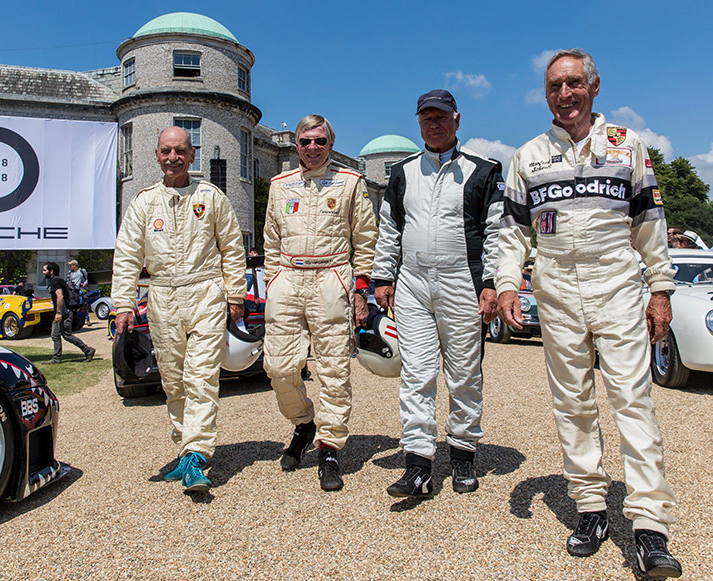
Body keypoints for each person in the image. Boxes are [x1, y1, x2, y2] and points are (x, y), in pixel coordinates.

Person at [496, 49, 682, 577]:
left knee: (632, 397)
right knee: (572, 402)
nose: (565, 95)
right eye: (555, 86)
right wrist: (508, 283)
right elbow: (512, 231)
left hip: (617, 281)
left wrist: (660, 289)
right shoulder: (528, 155)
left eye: (574, 83)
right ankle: (591, 508)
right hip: (554, 285)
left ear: (594, 87)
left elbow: (650, 221)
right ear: (546, 94)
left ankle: (650, 525)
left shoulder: (628, 144)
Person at [372, 89, 504, 497]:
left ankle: (463, 454)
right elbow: (390, 227)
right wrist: (382, 277)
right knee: (416, 374)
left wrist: (492, 283)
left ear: (457, 119)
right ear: (418, 122)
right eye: (426, 117)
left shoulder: (483, 170)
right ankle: (418, 462)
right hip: (412, 281)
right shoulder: (403, 171)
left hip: (461, 280)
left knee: (464, 372)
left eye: (441, 116)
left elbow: (497, 230)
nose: (434, 123)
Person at [112, 126, 246, 494]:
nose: (174, 158)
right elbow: (127, 255)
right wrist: (123, 302)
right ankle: (186, 443)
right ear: (157, 155)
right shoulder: (143, 202)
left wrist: (235, 294)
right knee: (173, 381)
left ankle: (197, 454)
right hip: (163, 297)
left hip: (205, 292)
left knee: (201, 377)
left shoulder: (212, 197)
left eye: (181, 151)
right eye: (167, 151)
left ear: (192, 155)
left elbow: (232, 248)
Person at [262, 114, 377, 491]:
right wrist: (273, 279)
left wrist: (360, 288)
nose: (312, 148)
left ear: (330, 143)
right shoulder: (280, 185)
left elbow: (365, 237)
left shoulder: (350, 182)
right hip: (288, 275)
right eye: (305, 141)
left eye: (320, 141)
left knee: (333, 369)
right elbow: (269, 238)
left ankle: (329, 446)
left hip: (332, 275)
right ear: (296, 144)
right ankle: (304, 423)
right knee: (279, 366)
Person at [41, 262, 95, 365]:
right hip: (65, 311)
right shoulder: (58, 280)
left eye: (45, 270)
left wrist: (58, 312)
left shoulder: (55, 282)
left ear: (51, 271)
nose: (43, 273)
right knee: (57, 334)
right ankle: (58, 357)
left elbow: (60, 296)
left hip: (64, 312)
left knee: (65, 335)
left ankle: (87, 350)